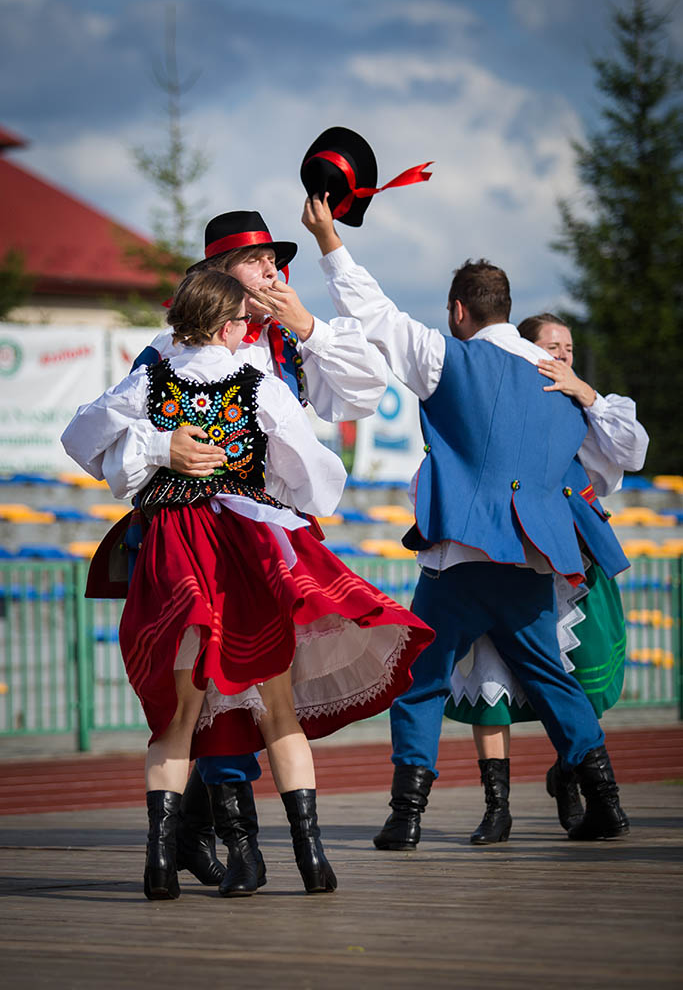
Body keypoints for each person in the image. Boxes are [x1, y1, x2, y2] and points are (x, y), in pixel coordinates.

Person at [62, 269, 433, 900]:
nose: (249, 330)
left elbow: (80, 440)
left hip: (175, 545)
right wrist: (265, 485)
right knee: (278, 709)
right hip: (242, 546)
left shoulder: (147, 381)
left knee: (179, 716)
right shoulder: (258, 384)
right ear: (229, 326)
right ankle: (312, 860)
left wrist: (156, 446)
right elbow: (316, 476)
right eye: (244, 321)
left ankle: (159, 866)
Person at [302, 191, 632, 851]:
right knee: (551, 680)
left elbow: (373, 312)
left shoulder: (444, 356)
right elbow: (621, 452)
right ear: (507, 308)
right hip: (531, 560)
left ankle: (406, 816)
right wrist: (592, 397)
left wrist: (328, 240)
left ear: (459, 311)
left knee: (420, 683)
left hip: (457, 561)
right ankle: (606, 802)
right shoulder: (560, 381)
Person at [446, 312, 648, 843]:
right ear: (525, 352)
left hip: (574, 562)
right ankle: (497, 808)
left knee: (580, 680)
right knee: (489, 677)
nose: (561, 355)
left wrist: (586, 394)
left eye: (568, 348)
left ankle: (572, 771)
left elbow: (633, 452)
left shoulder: (588, 405)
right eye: (551, 346)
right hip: (508, 554)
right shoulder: (499, 405)